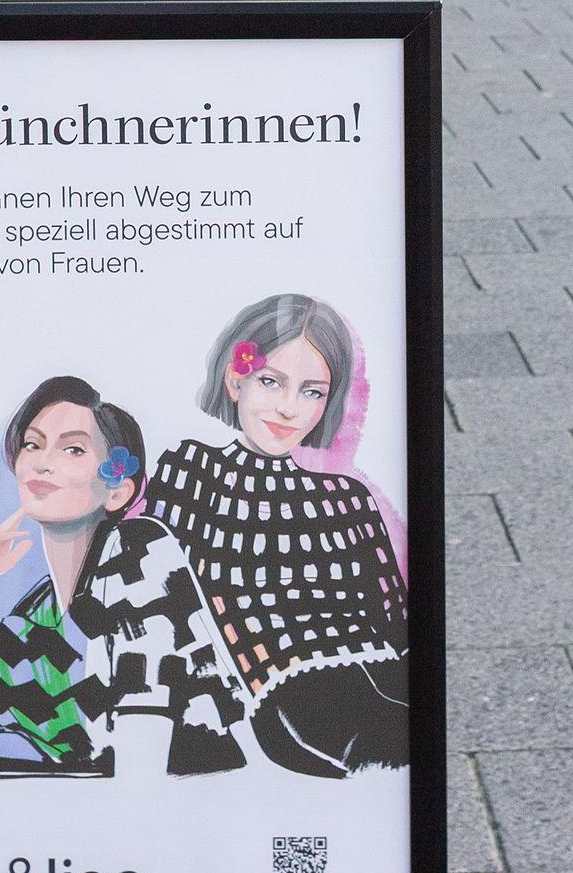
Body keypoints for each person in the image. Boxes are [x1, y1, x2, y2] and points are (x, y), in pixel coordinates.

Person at [0, 375, 245, 776]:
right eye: (33, 444)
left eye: (73, 449)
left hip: (182, 787)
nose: (43, 462)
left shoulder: (140, 552)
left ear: (117, 492)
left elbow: (141, 758)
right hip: (84, 796)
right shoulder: (35, 627)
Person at [144, 295, 410, 776]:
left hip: (380, 676)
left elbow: (396, 621)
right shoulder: (193, 469)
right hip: (288, 695)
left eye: (312, 392)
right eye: (271, 382)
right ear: (235, 380)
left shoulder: (346, 498)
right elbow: (165, 595)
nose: (289, 409)